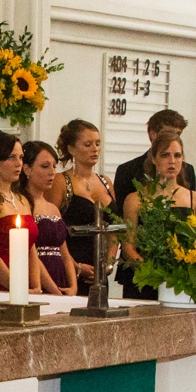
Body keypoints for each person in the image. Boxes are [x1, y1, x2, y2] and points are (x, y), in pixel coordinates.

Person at [120, 128, 196, 300]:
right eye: (165, 155)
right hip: (145, 280)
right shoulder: (135, 200)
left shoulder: (194, 199)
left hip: (180, 282)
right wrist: (152, 271)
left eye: (177, 155)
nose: (172, 161)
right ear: (153, 158)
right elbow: (128, 247)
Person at [47, 119, 114, 294]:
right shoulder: (61, 182)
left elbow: (115, 230)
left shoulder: (106, 182)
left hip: (99, 271)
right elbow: (50, 230)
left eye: (97, 143)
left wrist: (108, 264)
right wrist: (76, 266)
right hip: (71, 268)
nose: (95, 149)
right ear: (71, 149)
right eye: (88, 144)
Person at [0, 130, 45, 294]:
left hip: (25, 285)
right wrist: (17, 287)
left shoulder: (23, 200)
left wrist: (36, 286)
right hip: (1, 284)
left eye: (21, 157)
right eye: (11, 157)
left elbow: (31, 248)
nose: (19, 164)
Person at [22, 140, 77, 295]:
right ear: (27, 169)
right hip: (37, 276)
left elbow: (65, 254)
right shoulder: (23, 204)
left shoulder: (53, 208)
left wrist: (73, 286)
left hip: (60, 276)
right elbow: (30, 252)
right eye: (45, 166)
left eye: (54, 166)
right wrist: (54, 289)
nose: (52, 172)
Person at [113, 108, 196, 205]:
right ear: (153, 134)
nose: (173, 139)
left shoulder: (188, 170)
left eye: (178, 134)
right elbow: (121, 212)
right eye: (168, 133)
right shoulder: (127, 171)